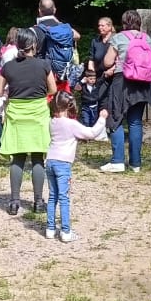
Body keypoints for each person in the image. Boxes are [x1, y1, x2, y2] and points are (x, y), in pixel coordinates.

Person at [0, 29, 57, 215]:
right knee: (38, 158)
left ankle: (14, 202)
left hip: (16, 114)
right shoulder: (44, 64)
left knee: (18, 157)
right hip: (38, 114)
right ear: (34, 45)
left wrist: (11, 96)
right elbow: (53, 89)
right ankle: (38, 201)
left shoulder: (8, 67)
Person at [45, 90, 108, 241]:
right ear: (70, 106)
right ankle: (66, 231)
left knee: (53, 196)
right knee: (64, 197)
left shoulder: (52, 122)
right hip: (63, 164)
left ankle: (50, 228)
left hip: (50, 161)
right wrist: (102, 118)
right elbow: (91, 133)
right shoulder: (71, 124)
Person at [103, 10, 151, 174]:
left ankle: (117, 161)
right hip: (142, 84)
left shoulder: (118, 38)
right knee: (135, 122)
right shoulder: (147, 39)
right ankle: (135, 163)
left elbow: (107, 61)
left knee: (116, 119)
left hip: (122, 82)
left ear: (124, 23)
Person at [35, 0, 79, 79]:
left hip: (44, 74)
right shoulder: (63, 29)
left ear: (39, 11)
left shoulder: (35, 30)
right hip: (62, 73)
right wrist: (59, 23)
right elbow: (77, 36)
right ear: (55, 10)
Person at [79, 63, 106, 128]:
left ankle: (93, 134)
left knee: (94, 121)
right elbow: (76, 88)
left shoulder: (96, 85)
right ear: (86, 78)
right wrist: (81, 82)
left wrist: (105, 73)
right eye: (91, 79)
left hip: (95, 107)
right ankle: (86, 135)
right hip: (85, 107)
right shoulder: (83, 86)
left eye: (94, 79)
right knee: (86, 121)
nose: (93, 80)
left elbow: (102, 79)